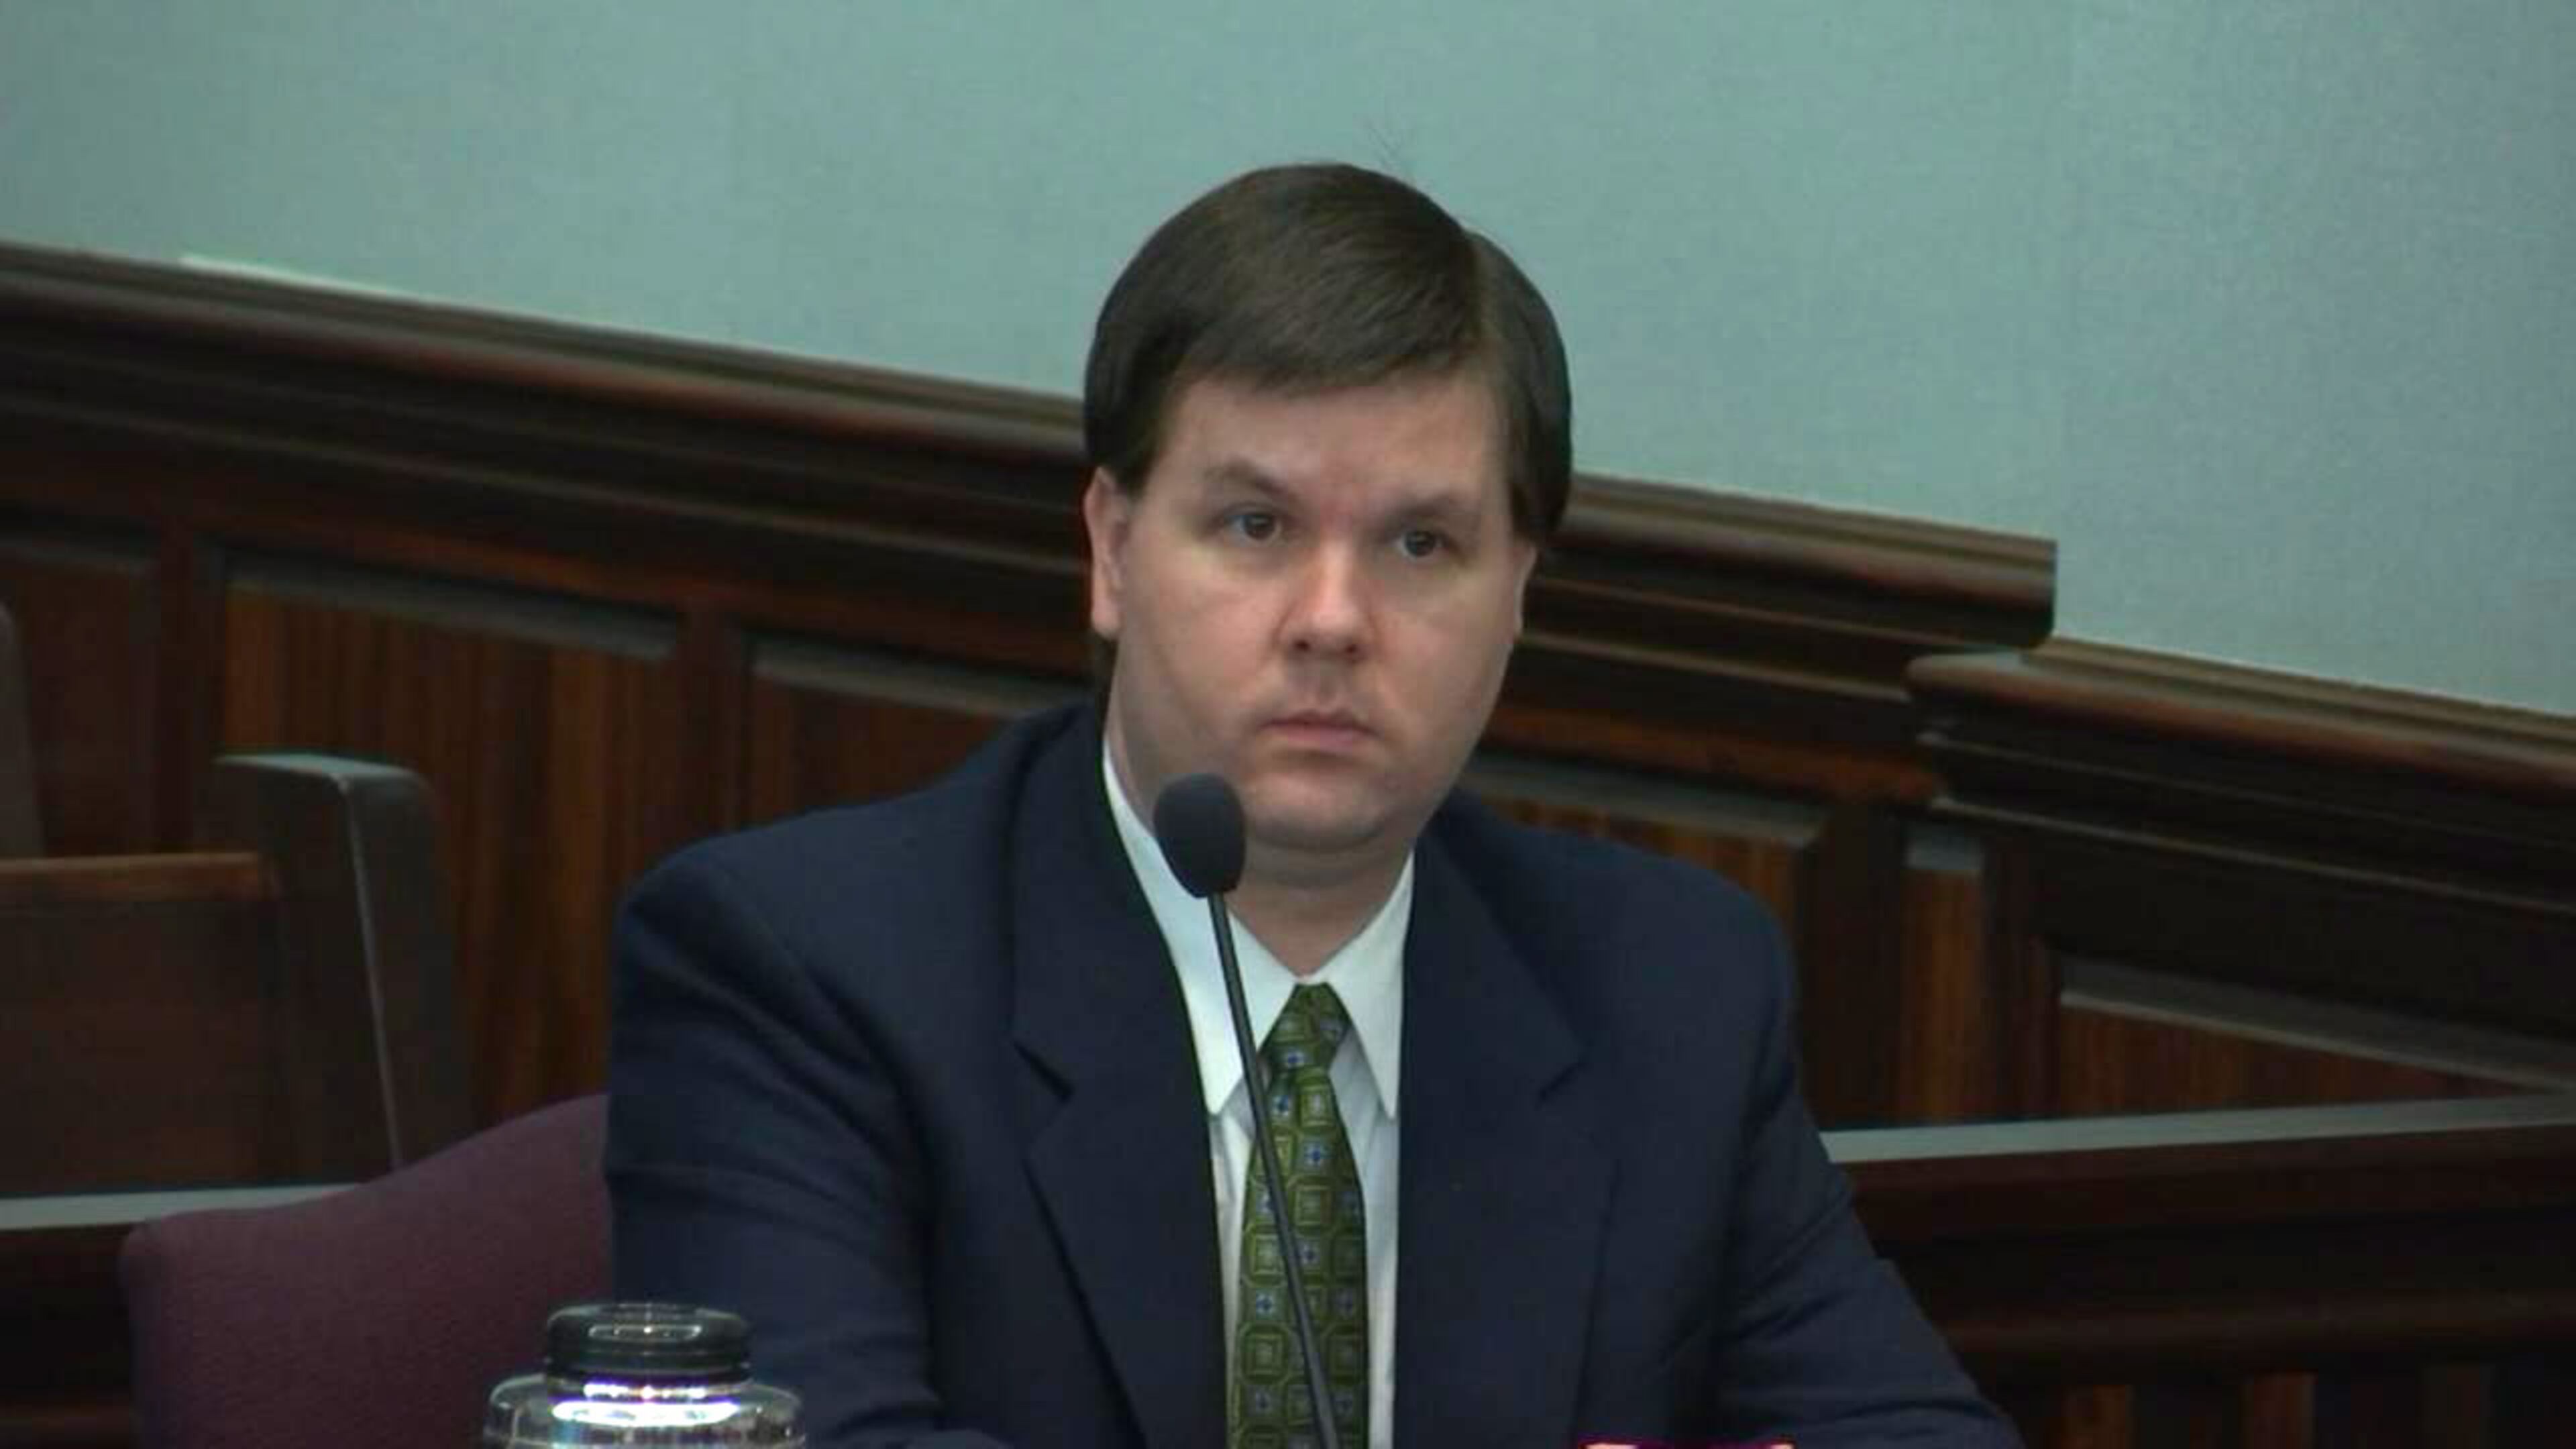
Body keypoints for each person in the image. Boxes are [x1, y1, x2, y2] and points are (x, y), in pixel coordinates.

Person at [606, 162, 2015, 1449]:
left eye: (1421, 543)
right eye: (1257, 526)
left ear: (1520, 592)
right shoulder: (809, 971)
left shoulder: (1666, 991)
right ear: (1112, 550)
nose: (1333, 619)